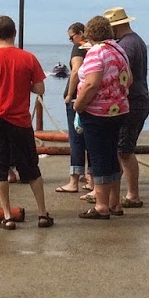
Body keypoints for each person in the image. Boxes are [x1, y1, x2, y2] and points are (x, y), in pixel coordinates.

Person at [0, 14, 52, 229]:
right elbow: (40, 88)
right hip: (21, 121)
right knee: (31, 168)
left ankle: (7, 216)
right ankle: (42, 213)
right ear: (14, 33)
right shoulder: (28, 58)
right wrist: (25, 85)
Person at [74, 14, 131, 220]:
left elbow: (92, 83)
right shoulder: (119, 49)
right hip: (119, 110)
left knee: (98, 158)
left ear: (90, 34)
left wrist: (79, 105)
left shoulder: (95, 52)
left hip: (97, 112)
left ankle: (101, 206)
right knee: (112, 155)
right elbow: (129, 79)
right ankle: (115, 202)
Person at [104, 7, 149, 209]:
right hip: (137, 100)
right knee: (122, 148)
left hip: (133, 102)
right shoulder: (134, 41)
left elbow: (122, 75)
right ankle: (120, 193)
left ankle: (132, 195)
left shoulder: (127, 46)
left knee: (124, 150)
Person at [55, 22, 92, 195]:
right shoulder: (94, 47)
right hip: (91, 97)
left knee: (76, 138)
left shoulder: (79, 48)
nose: (71, 41)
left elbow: (76, 71)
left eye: (72, 37)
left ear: (80, 33)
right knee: (91, 139)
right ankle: (92, 179)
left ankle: (74, 180)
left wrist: (69, 95)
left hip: (77, 98)